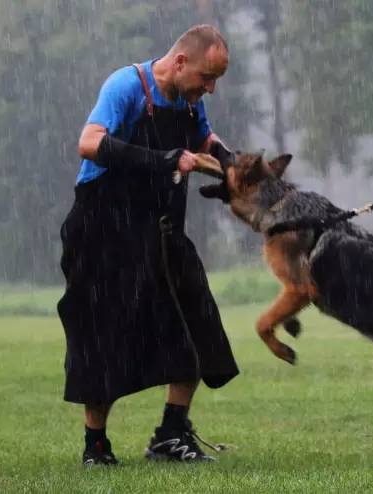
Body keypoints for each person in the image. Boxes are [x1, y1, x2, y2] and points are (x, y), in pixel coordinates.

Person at [57, 24, 239, 466]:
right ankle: (95, 446)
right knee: (103, 337)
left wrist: (235, 165)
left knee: (198, 322)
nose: (210, 89)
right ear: (180, 62)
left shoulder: (189, 103)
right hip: (103, 230)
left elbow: (206, 142)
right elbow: (89, 142)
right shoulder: (128, 86)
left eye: (216, 80)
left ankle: (171, 434)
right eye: (206, 77)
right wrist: (161, 160)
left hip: (159, 230)